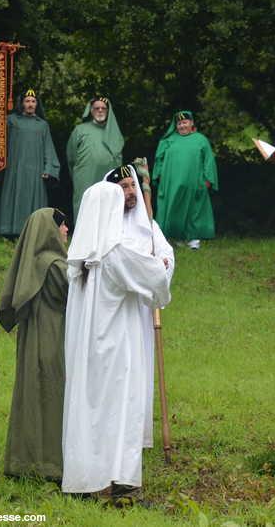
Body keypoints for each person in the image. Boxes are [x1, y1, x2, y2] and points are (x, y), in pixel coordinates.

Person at [61, 182, 171, 500]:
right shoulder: (114, 253)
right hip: (116, 349)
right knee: (120, 410)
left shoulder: (79, 259)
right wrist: (159, 266)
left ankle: (87, 480)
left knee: (91, 411)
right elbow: (155, 283)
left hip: (89, 351)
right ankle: (120, 480)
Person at [103, 165, 174, 451]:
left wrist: (161, 266)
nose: (130, 192)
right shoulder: (105, 226)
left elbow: (166, 254)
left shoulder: (148, 224)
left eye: (132, 185)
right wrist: (149, 269)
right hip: (116, 312)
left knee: (140, 371)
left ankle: (138, 435)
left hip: (142, 313)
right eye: (124, 187)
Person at [0, 208, 69, 481]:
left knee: (30, 395)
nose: (65, 231)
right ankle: (50, 463)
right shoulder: (53, 266)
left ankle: (23, 460)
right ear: (50, 230)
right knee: (52, 395)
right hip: (51, 337)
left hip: (33, 338)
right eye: (62, 226)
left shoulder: (35, 262)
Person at [0, 89, 61, 238]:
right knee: (13, 196)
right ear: (22, 103)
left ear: (37, 104)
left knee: (33, 199)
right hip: (14, 168)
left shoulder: (42, 125)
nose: (30, 104)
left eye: (33, 101)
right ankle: (9, 231)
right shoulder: (11, 121)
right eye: (27, 101)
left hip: (35, 170)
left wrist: (48, 168)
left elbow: (48, 148)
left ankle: (33, 231)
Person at [152, 110, 218, 250]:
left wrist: (208, 178)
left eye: (185, 122)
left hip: (195, 182)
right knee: (172, 209)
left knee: (194, 210)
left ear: (191, 123)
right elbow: (159, 159)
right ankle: (174, 239)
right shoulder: (168, 140)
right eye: (179, 123)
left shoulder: (201, 140)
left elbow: (208, 161)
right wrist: (157, 175)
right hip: (171, 183)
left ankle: (193, 240)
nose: (182, 126)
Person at [66, 97, 124, 223]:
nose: (100, 111)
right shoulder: (80, 129)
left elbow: (119, 157)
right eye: (97, 108)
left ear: (108, 111)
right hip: (85, 176)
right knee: (85, 203)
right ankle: (83, 236)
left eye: (103, 108)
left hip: (108, 176)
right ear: (91, 111)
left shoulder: (114, 132)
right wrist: (78, 173)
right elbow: (71, 156)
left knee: (107, 204)